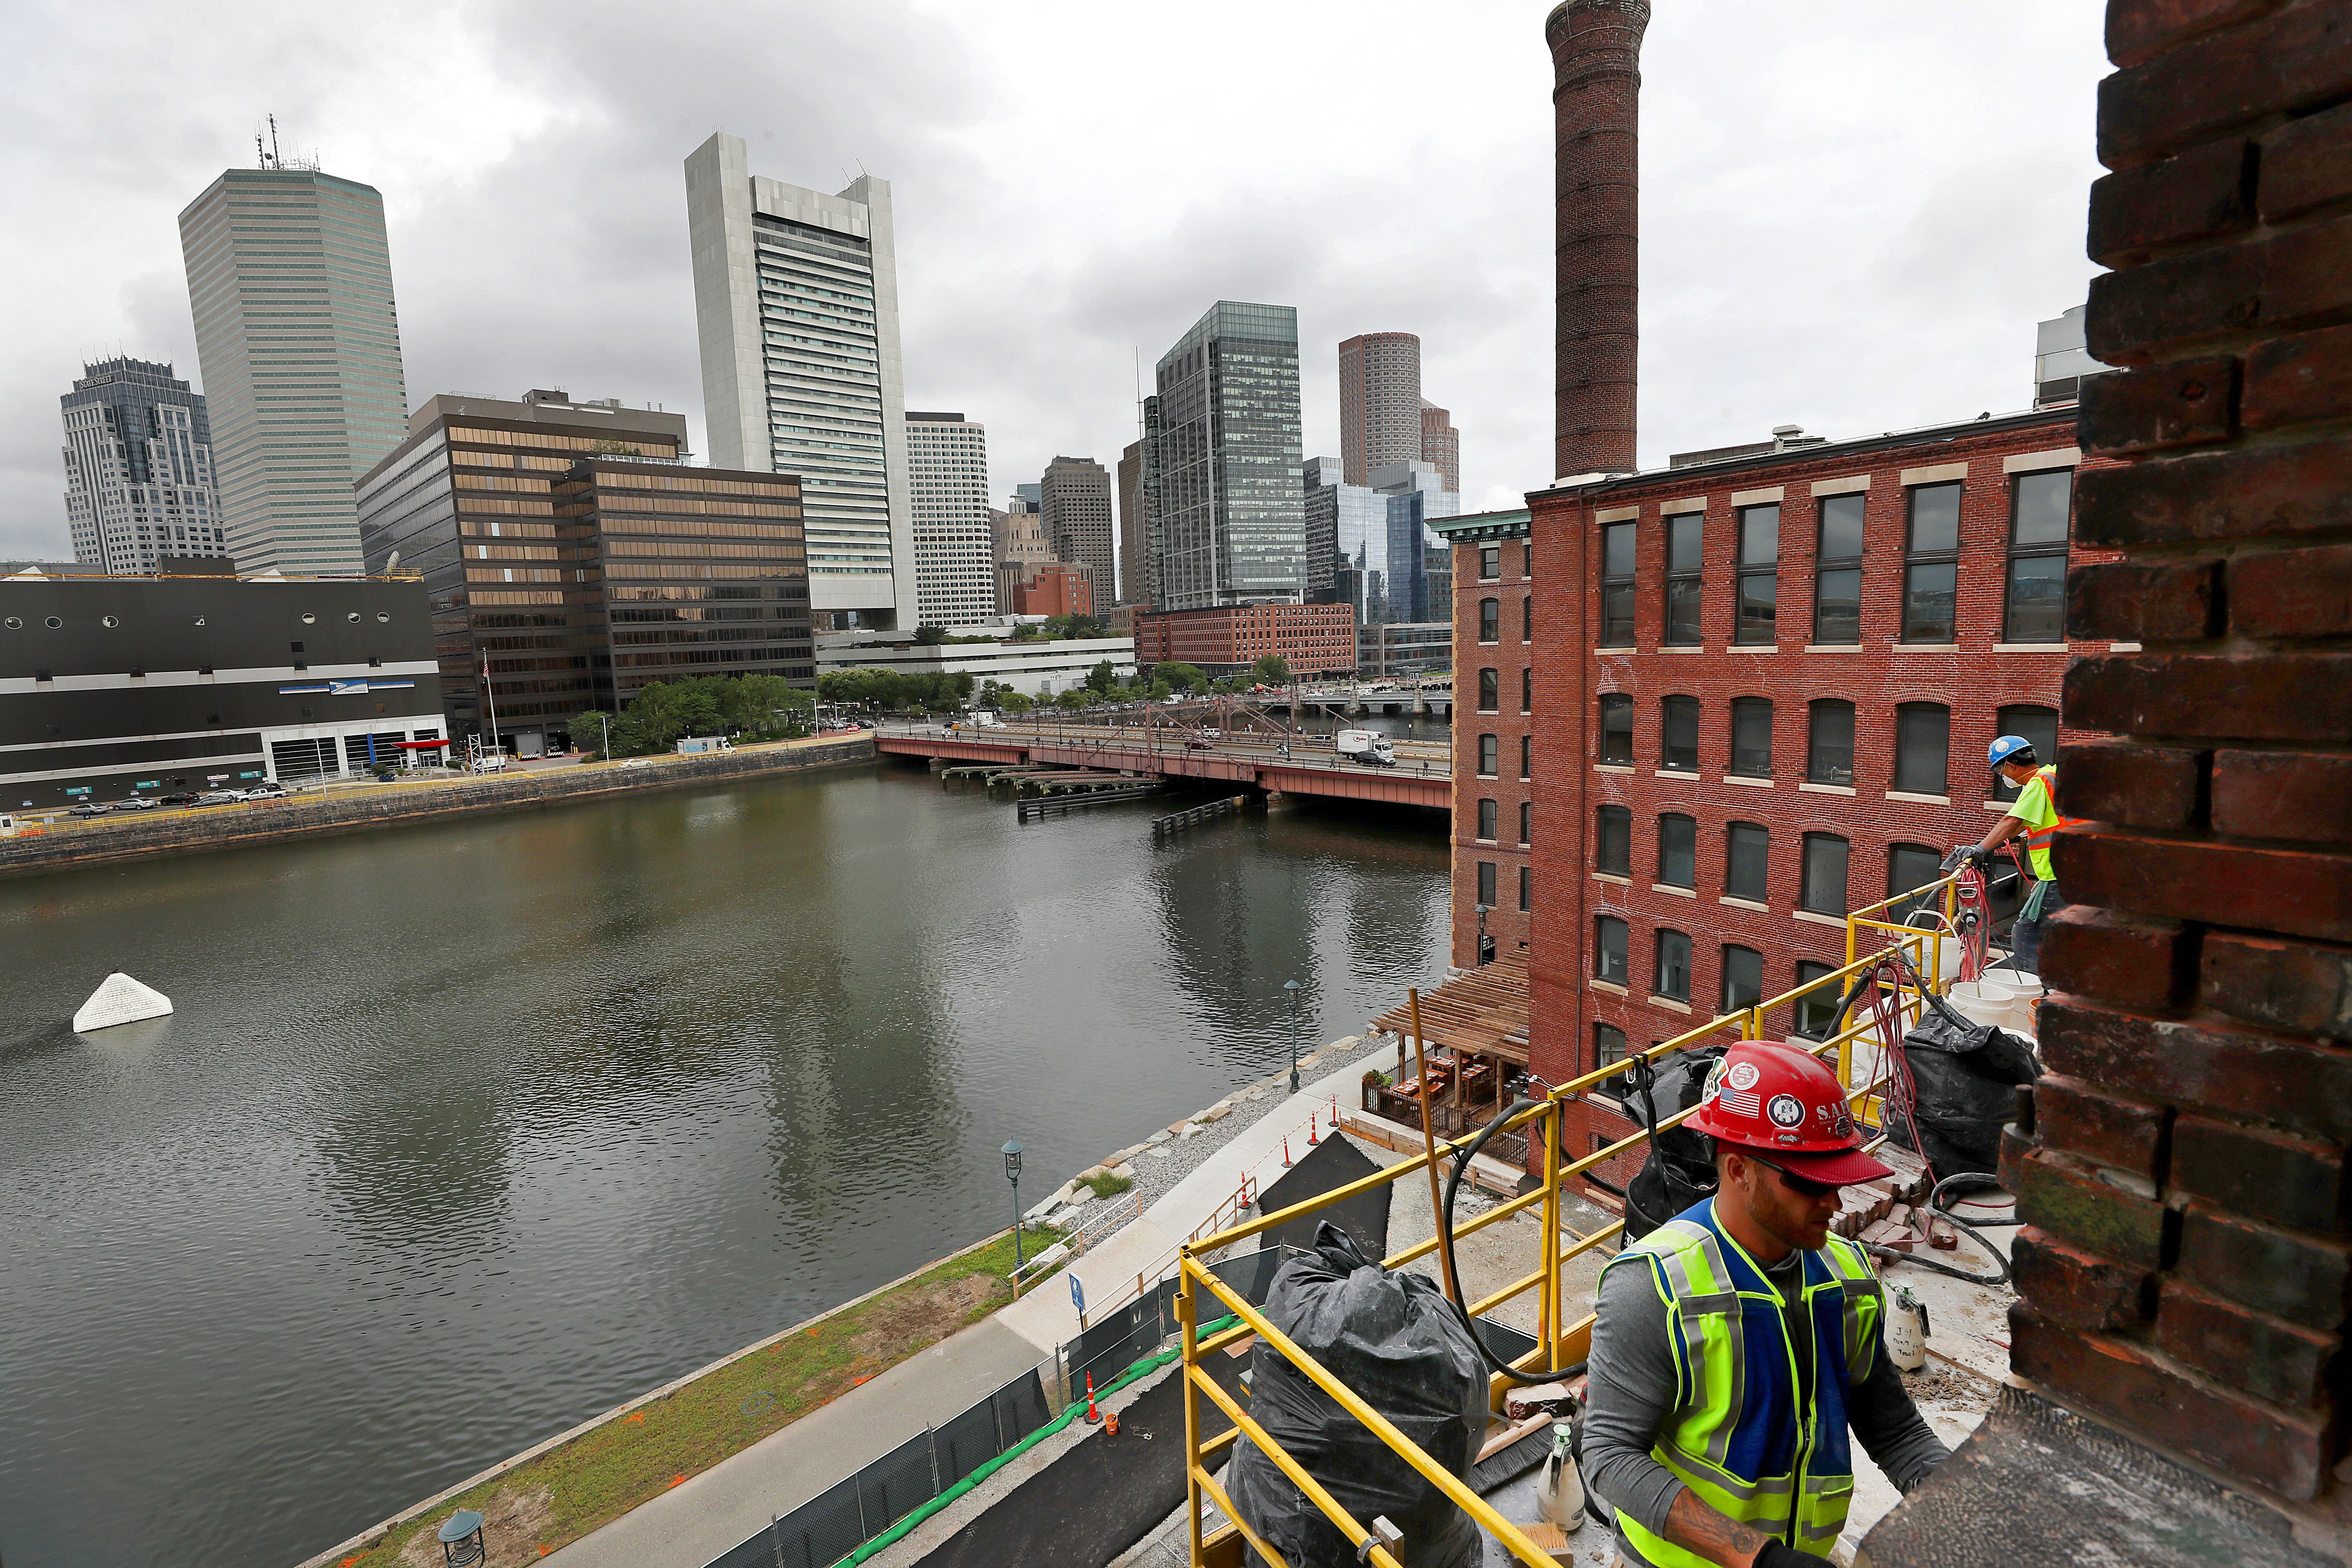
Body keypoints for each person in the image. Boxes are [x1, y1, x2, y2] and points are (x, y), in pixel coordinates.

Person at [1584, 1041, 1948, 1568]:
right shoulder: (1655, 1287)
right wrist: (1758, 1558)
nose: (1835, 1203)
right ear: (1737, 1170)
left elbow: (1894, 1429)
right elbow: (1609, 1456)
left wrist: (1959, 1501)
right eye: (1809, 1183)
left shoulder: (1845, 1277)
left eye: (1838, 1178)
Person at [1957, 735, 2074, 979]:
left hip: (2061, 874)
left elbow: (2012, 821)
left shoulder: (2038, 782)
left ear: (2011, 766)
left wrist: (1980, 849)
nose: (2003, 776)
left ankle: (2030, 993)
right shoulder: (2055, 776)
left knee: (2026, 932)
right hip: (2076, 869)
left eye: (2000, 770)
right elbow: (2043, 822)